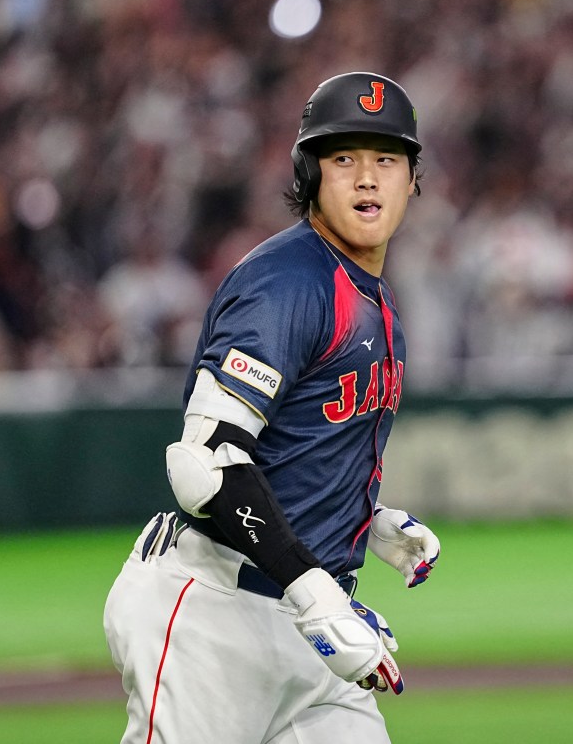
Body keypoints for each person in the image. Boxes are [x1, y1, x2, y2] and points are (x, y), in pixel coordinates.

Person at [103, 71, 443, 743]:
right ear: (308, 174)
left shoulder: (371, 295)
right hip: (215, 616)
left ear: (413, 180)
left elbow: (293, 447)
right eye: (343, 159)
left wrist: (366, 521)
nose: (367, 178)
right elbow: (206, 464)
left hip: (305, 617)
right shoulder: (286, 280)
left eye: (386, 159)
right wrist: (315, 591)